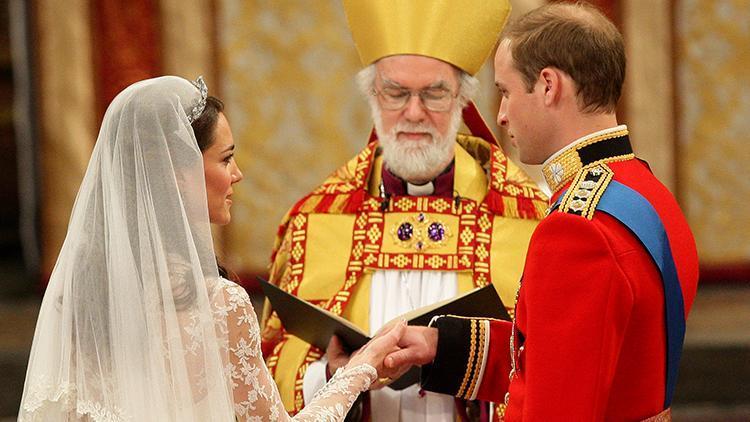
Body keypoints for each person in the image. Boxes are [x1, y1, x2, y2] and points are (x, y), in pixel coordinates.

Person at [18, 75, 404, 421]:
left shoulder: (81, 298)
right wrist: (361, 368)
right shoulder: (220, 307)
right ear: (178, 172)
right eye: (226, 158)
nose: (237, 174)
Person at [383, 3, 700, 421]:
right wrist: (442, 346)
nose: (501, 115)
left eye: (506, 91)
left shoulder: (577, 231)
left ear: (548, 86)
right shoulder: (648, 193)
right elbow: (569, 361)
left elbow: (558, 404)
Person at [260, 1, 546, 420]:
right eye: (396, 93)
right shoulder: (317, 219)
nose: (414, 113)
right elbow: (269, 370)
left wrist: (466, 365)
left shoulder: (528, 220)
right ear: (373, 96)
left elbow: (551, 365)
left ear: (462, 99)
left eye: (434, 94)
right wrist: (334, 377)